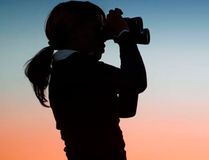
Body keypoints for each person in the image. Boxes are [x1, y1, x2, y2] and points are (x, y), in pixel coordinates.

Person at [24, 1, 147, 160]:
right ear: (76, 32)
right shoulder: (77, 68)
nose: (103, 33)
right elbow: (137, 81)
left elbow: (126, 109)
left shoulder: (70, 68)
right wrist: (123, 37)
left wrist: (125, 37)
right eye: (97, 27)